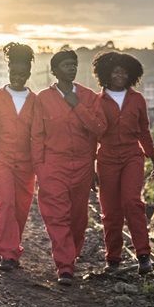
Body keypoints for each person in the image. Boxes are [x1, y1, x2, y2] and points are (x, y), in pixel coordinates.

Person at [31, 49, 107, 285]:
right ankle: (65, 267)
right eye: (66, 65)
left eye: (73, 64)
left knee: (78, 219)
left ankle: (69, 257)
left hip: (83, 166)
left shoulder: (88, 96)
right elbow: (36, 135)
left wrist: (78, 106)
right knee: (57, 216)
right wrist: (39, 169)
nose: (71, 68)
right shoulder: (43, 98)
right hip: (53, 165)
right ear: (54, 71)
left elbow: (100, 128)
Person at [92, 51, 154, 275]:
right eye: (115, 71)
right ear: (106, 74)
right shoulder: (97, 101)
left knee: (132, 202)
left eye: (124, 71)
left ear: (131, 74)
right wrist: (90, 165)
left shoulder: (137, 99)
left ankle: (143, 256)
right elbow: (91, 135)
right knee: (110, 211)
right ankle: (113, 259)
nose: (119, 75)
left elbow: (144, 131)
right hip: (107, 158)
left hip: (132, 155)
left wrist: (153, 157)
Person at [0, 43, 37, 271]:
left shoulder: (36, 101)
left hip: (26, 163)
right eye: (13, 73)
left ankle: (13, 247)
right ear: (8, 72)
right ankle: (7, 253)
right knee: (6, 203)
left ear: (28, 74)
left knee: (21, 207)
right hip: (1, 159)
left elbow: (40, 133)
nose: (17, 78)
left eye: (22, 74)